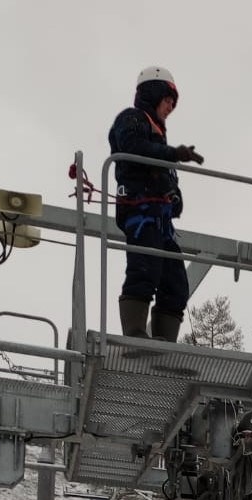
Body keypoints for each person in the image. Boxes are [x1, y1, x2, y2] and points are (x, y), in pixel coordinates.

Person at [108, 65, 205, 342]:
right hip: (140, 210)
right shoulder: (132, 119)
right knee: (144, 267)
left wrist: (175, 194)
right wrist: (173, 154)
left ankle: (164, 344)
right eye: (166, 102)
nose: (169, 108)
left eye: (172, 105)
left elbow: (163, 170)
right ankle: (136, 335)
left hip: (161, 218)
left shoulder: (160, 137)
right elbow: (132, 147)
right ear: (152, 95)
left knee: (175, 283)